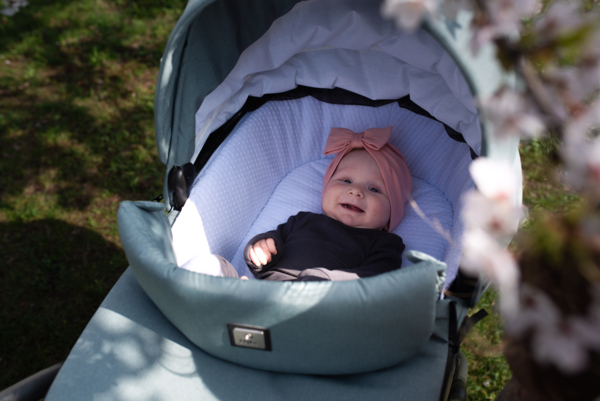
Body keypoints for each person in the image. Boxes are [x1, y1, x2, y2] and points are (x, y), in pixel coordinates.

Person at [222, 126, 412, 281]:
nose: (356, 191)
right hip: (266, 290)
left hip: (321, 304)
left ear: (392, 213)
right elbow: (273, 241)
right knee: (215, 266)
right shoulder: (303, 220)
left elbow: (376, 280)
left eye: (374, 189)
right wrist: (260, 248)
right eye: (346, 181)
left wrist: (326, 281)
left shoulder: (384, 243)